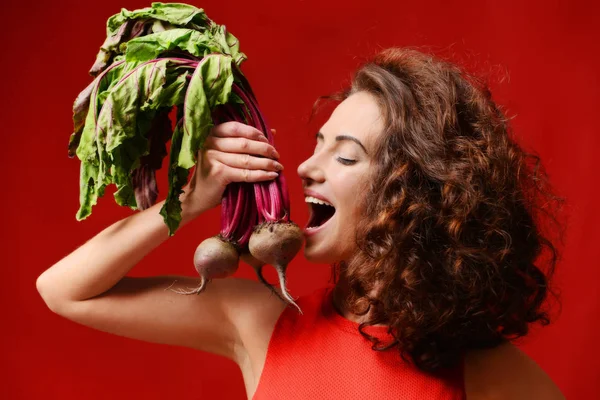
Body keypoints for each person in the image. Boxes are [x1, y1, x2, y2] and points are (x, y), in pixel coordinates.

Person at [36, 48, 564, 399]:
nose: (306, 168)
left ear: (412, 194)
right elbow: (65, 291)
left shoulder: (485, 372)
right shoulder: (263, 323)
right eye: (318, 145)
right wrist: (188, 202)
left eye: (347, 157)